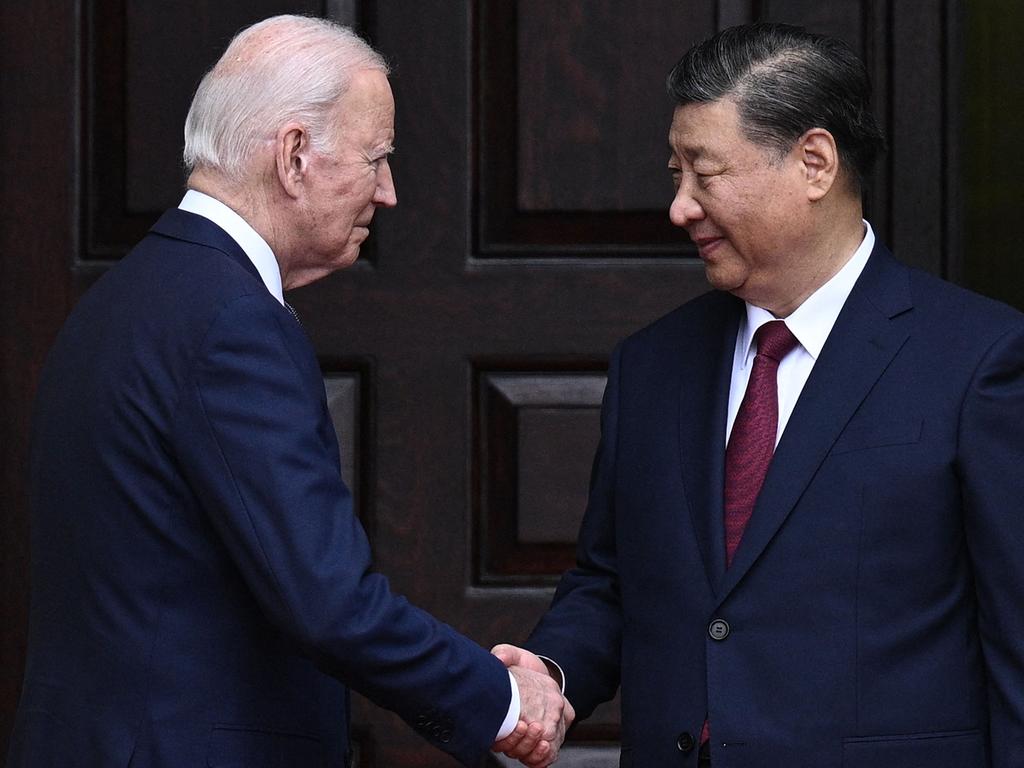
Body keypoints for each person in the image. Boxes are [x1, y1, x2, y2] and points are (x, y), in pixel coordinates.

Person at [6, 15, 572, 768]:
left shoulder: (127, 298)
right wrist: (501, 703)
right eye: (376, 160)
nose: (390, 192)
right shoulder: (234, 322)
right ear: (296, 156)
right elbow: (328, 602)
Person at [492, 22, 1024, 767]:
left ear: (814, 162)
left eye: (703, 174)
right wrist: (551, 673)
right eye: (674, 172)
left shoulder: (977, 360)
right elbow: (610, 582)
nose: (679, 206)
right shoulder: (654, 364)